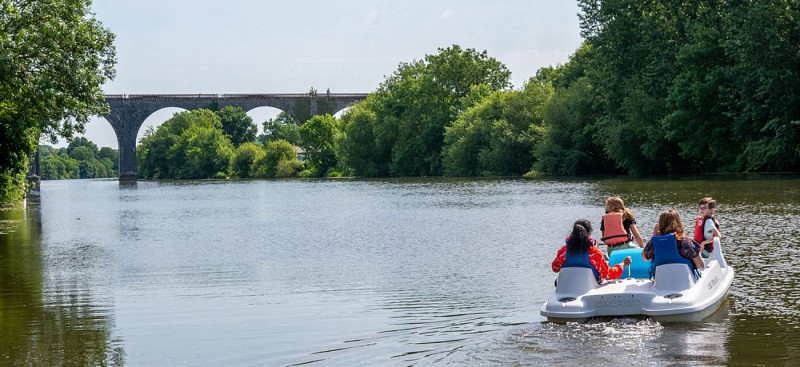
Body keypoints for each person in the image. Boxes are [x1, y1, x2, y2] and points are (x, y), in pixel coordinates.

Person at [552, 219, 632, 283]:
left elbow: (555, 268)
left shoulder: (563, 250)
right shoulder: (594, 252)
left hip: (567, 287)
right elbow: (609, 275)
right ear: (589, 232)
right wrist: (623, 263)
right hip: (589, 288)